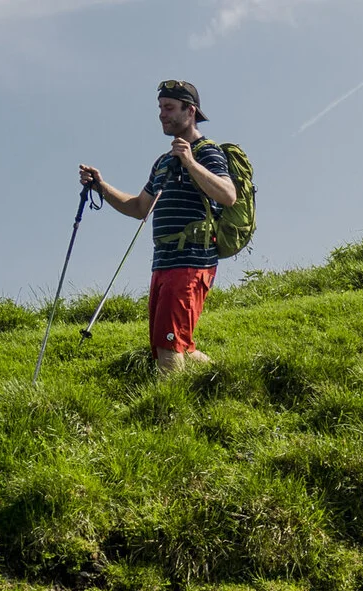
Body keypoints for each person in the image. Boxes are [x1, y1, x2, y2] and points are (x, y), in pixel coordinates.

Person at [77, 80, 237, 374]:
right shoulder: (163, 162)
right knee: (178, 345)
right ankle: (224, 376)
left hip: (191, 262)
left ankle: (169, 415)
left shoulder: (207, 152)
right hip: (163, 263)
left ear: (191, 111)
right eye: (160, 108)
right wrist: (101, 186)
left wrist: (189, 162)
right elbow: (139, 207)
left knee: (167, 348)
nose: (162, 115)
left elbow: (228, 195)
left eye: (169, 108)